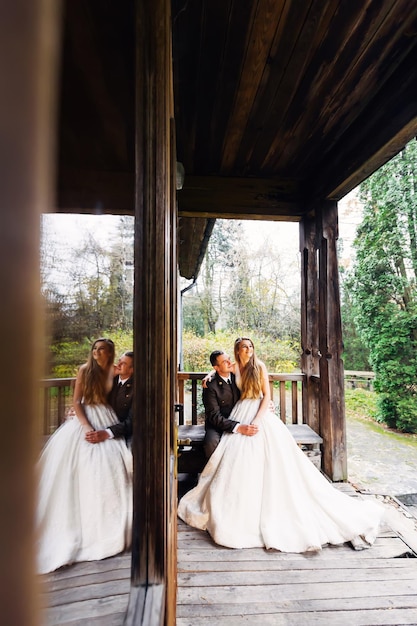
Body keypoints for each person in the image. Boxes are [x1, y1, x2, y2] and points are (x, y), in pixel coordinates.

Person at [178, 337, 384, 553]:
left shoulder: (260, 366)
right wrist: (209, 374)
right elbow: (220, 371)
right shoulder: (235, 366)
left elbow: (267, 395)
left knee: (273, 457)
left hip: (258, 413)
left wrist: (257, 420)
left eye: (250, 346)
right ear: (237, 351)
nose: (248, 350)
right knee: (235, 454)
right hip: (240, 412)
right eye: (243, 347)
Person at [36, 338, 133, 574]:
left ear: (110, 353)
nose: (97, 352)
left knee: (110, 462)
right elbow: (76, 402)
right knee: (77, 464)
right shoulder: (84, 370)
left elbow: (128, 381)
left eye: (103, 349)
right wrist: (86, 425)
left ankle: (109, 523)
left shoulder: (114, 371)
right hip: (85, 419)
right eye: (95, 349)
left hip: (107, 418)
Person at [203, 350, 259, 458]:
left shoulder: (238, 376)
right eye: (225, 362)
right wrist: (238, 427)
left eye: (229, 359)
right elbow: (214, 416)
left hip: (241, 418)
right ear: (216, 368)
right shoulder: (210, 386)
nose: (229, 363)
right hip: (218, 424)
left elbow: (256, 387)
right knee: (210, 442)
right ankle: (216, 473)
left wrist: (266, 402)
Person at [86, 351, 134, 445]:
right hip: (101, 423)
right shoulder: (111, 379)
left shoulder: (136, 388)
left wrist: (106, 433)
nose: (118, 364)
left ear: (132, 369)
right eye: (119, 361)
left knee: (130, 456)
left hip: (126, 431)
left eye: (123, 363)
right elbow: (93, 396)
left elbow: (132, 421)